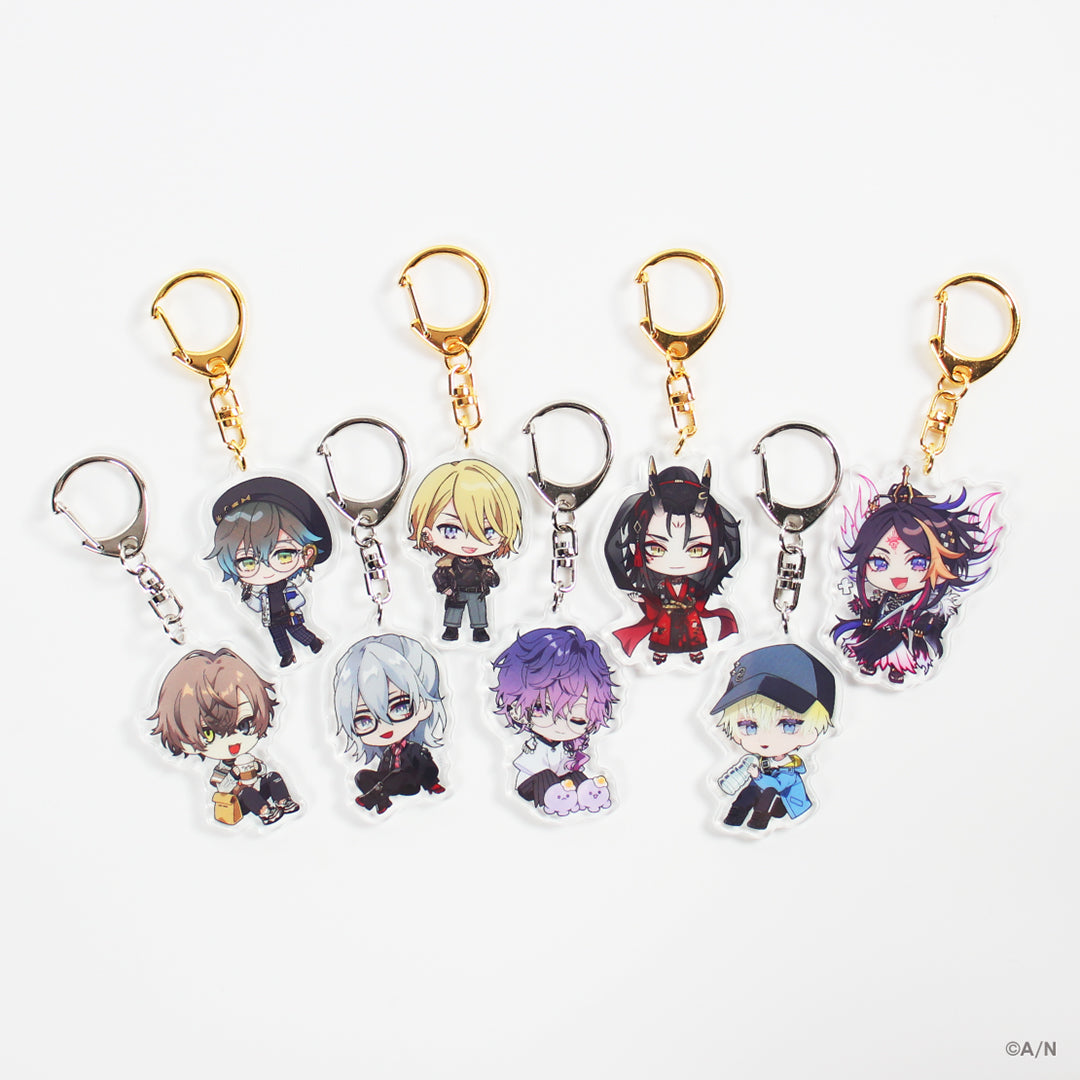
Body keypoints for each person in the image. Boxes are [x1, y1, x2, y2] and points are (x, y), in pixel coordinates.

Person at [832, 467, 997, 683]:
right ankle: (870, 663)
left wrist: (923, 625)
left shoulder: (923, 601)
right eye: (880, 562)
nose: (898, 576)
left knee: (899, 654)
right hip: (882, 628)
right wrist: (867, 612)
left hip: (903, 633)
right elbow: (870, 607)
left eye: (918, 562)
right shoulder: (882, 596)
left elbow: (932, 618)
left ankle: (897, 670)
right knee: (874, 646)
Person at [605, 458, 740, 664]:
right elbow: (653, 601)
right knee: (663, 635)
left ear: (719, 550)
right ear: (635, 547)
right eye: (657, 548)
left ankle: (695, 652)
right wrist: (642, 599)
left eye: (696, 549)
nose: (677, 561)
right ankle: (660, 652)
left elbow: (700, 600)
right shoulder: (660, 586)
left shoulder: (694, 587)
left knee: (692, 634)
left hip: (688, 616)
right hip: (666, 618)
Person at [148, 648, 298, 826]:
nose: (232, 741)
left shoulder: (247, 757)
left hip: (258, 789)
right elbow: (221, 787)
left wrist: (258, 767)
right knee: (248, 793)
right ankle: (266, 813)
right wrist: (234, 774)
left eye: (244, 724)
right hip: (241, 800)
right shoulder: (222, 768)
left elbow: (262, 771)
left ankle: (283, 801)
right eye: (209, 733)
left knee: (273, 777)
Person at [492, 626, 617, 816]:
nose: (559, 726)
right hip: (530, 785)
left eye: (577, 719)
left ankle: (590, 796)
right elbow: (530, 765)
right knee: (547, 776)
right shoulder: (534, 745)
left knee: (575, 776)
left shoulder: (566, 747)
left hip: (561, 784)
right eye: (542, 709)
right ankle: (555, 801)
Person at [207, 476, 332, 667]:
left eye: (283, 555)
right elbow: (258, 605)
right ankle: (287, 655)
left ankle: (313, 642)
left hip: (289, 614)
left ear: (307, 554)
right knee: (278, 637)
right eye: (248, 562)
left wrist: (292, 603)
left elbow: (300, 599)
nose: (266, 569)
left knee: (298, 631)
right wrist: (248, 599)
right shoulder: (262, 592)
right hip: (272, 618)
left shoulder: (289, 587)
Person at [711, 644, 834, 831]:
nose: (765, 739)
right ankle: (733, 818)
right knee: (749, 791)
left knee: (767, 791)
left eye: (788, 725)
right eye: (750, 727)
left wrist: (757, 775)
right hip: (762, 791)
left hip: (783, 804)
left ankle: (758, 823)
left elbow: (777, 784)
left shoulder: (790, 766)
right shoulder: (759, 760)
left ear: (812, 730)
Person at [333, 634, 449, 815]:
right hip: (389, 784)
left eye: (400, 706)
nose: (384, 724)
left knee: (397, 775)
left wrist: (432, 784)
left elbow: (427, 767)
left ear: (424, 705)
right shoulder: (388, 752)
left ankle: (371, 799)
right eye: (364, 720)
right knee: (362, 776)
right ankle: (381, 801)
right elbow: (382, 771)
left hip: (410, 783)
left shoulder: (414, 749)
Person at [408, 459, 522, 642]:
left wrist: (491, 577)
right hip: (456, 591)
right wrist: (445, 588)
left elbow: (494, 581)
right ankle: (451, 630)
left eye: (488, 531)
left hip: (477, 591)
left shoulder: (484, 564)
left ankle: (480, 631)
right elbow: (439, 576)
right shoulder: (446, 564)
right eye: (451, 530)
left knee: (479, 612)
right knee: (453, 612)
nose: (470, 541)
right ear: (428, 534)